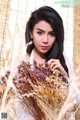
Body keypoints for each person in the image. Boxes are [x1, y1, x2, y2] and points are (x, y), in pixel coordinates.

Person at [14, 6, 78, 120]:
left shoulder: (65, 61)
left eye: (52, 34)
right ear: (31, 33)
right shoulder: (21, 63)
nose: (45, 40)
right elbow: (17, 107)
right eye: (40, 33)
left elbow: (75, 103)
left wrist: (65, 77)